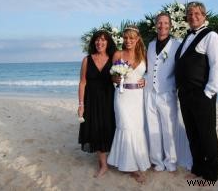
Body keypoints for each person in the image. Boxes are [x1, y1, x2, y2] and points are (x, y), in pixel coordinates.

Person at [175, 1, 218, 182]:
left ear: (204, 16)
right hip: (185, 94)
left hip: (201, 94)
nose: (193, 16)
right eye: (190, 14)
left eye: (197, 13)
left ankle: (210, 174)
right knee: (192, 133)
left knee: (207, 135)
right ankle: (197, 168)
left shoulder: (212, 37)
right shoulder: (187, 37)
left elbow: (217, 65)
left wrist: (209, 92)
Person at [144, 12, 192, 172]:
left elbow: (184, 69)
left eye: (165, 23)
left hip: (167, 93)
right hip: (150, 93)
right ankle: (157, 161)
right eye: (159, 23)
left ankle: (171, 162)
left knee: (168, 128)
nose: (162, 26)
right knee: (153, 127)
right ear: (155, 25)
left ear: (170, 26)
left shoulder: (177, 46)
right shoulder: (150, 45)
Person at [107, 25, 150, 183]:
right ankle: (131, 167)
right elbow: (112, 76)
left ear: (137, 39)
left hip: (138, 97)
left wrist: (146, 81)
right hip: (122, 96)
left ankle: (137, 161)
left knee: (137, 128)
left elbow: (152, 75)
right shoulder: (118, 54)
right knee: (125, 126)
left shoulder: (143, 54)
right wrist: (115, 79)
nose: (128, 41)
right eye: (126, 38)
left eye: (132, 38)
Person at [77, 30, 117, 178]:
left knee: (110, 128)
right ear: (94, 42)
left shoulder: (114, 58)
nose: (99, 43)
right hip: (91, 100)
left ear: (108, 42)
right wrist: (81, 104)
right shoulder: (87, 60)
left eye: (103, 40)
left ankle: (114, 159)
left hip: (109, 99)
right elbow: (82, 83)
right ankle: (103, 164)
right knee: (96, 130)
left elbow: (121, 76)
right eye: (97, 40)